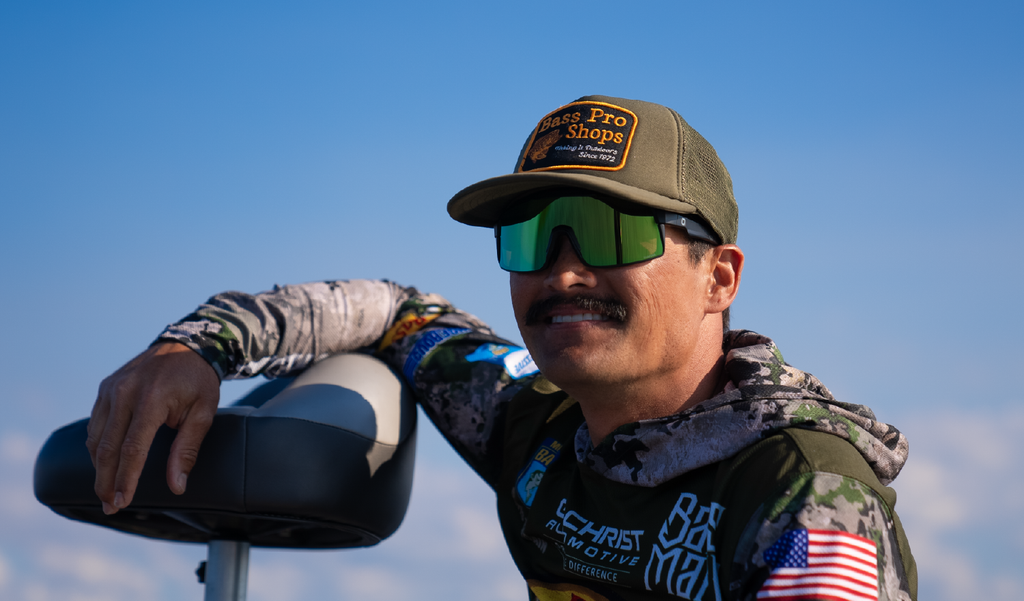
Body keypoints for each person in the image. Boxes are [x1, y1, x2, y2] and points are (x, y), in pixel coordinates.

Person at [86, 95, 916, 600]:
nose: (562, 273)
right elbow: (399, 315)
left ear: (719, 277)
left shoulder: (805, 499)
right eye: (530, 237)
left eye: (605, 230)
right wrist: (195, 346)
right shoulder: (541, 429)